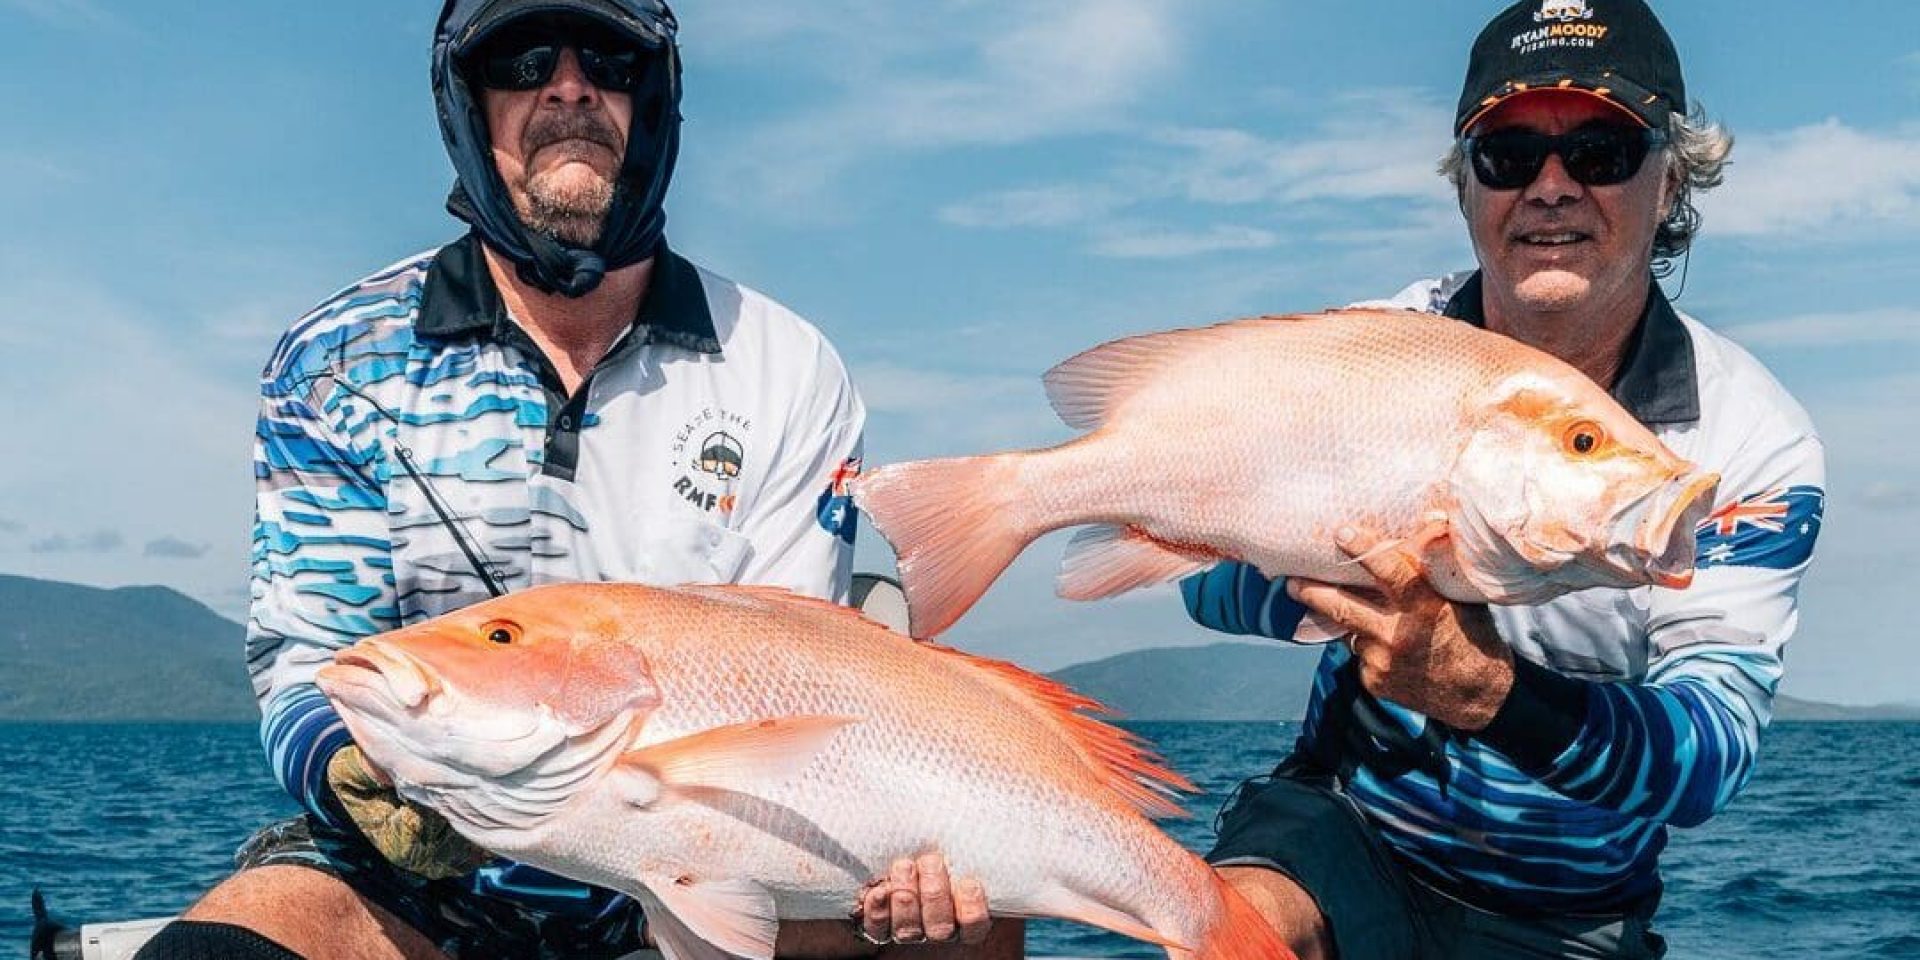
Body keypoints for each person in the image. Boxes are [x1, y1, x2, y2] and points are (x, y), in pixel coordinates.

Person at [135, 2, 1015, 957]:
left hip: (701, 862)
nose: (567, 85)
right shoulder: (336, 361)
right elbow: (310, 657)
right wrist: (352, 768)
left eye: (609, 56)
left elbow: (787, 682)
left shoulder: (787, 365)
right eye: (519, 59)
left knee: (975, 935)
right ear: (466, 104)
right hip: (417, 885)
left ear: (657, 98)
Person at [1181, 1, 1825, 958]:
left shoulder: (1745, 442)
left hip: (1569, 914)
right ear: (1467, 187)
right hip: (1345, 825)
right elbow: (1202, 590)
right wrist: (1341, 574)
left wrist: (1487, 691)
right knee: (1228, 937)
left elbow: (1707, 758)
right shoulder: (1378, 350)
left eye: (1601, 150)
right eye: (1509, 153)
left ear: (1673, 178)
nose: (1552, 188)